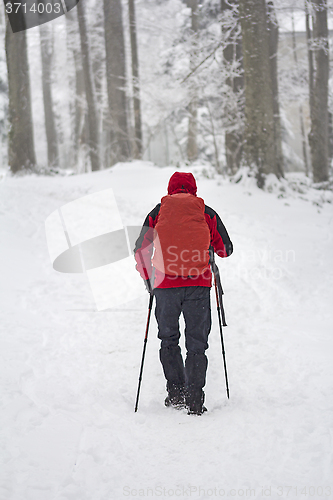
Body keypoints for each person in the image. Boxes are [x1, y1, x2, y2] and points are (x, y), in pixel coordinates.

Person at [134, 172, 233, 415]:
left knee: (169, 339)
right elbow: (226, 250)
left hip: (165, 286)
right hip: (198, 286)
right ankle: (195, 399)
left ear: (170, 190)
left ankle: (176, 392)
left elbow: (140, 248)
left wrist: (149, 279)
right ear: (194, 189)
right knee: (197, 344)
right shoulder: (205, 212)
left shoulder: (158, 212)